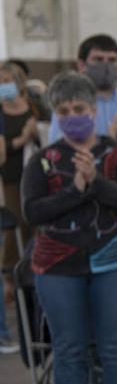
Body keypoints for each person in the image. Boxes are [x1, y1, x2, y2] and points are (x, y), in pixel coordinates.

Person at [24, 71, 117, 384]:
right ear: (56, 116)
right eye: (64, 110)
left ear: (93, 110)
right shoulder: (43, 161)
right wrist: (75, 189)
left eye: (80, 108)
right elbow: (32, 211)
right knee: (69, 347)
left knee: (114, 345)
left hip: (115, 260)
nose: (73, 115)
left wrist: (94, 182)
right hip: (58, 266)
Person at [49, 35, 117, 369]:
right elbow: (60, 163)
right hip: (87, 220)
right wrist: (110, 139)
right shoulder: (69, 112)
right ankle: (102, 370)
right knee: (94, 301)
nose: (107, 66)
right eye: (99, 59)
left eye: (113, 59)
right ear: (82, 64)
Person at [1, 62, 40, 276]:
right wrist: (22, 138)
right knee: (16, 223)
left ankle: (36, 266)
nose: (2, 85)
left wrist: (35, 134)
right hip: (10, 176)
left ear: (17, 82)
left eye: (6, 81)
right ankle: (12, 272)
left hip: (34, 172)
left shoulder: (34, 106)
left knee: (36, 222)